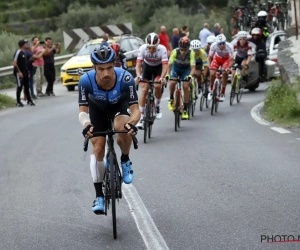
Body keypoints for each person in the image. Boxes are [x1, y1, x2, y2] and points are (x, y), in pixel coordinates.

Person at [78, 45, 140, 214]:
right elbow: (83, 112)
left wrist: (132, 123)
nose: (106, 73)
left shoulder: (125, 78)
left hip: (119, 106)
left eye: (109, 68)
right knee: (98, 148)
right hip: (96, 109)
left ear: (115, 65)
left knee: (122, 129)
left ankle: (125, 159)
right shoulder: (85, 81)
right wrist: (87, 125)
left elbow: (135, 109)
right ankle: (99, 196)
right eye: (101, 69)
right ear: (94, 68)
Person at [135, 32, 168, 129]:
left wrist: (162, 77)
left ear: (157, 45)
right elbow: (138, 64)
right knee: (144, 89)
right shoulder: (142, 48)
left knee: (157, 85)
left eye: (154, 48)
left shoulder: (162, 49)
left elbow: (165, 65)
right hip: (147, 68)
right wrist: (138, 76)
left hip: (158, 68)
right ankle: (141, 117)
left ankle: (157, 106)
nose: (151, 50)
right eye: (149, 47)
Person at [166, 37, 196, 120]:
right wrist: (168, 74)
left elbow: (193, 68)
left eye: (185, 50)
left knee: (186, 86)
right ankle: (171, 99)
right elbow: (169, 64)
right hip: (176, 68)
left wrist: (190, 76)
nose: (183, 52)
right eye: (181, 50)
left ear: (188, 48)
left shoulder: (191, 53)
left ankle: (185, 110)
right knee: (172, 82)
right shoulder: (175, 51)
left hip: (186, 70)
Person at [208, 34, 234, 102]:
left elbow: (232, 60)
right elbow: (210, 57)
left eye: (223, 43)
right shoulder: (213, 46)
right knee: (212, 73)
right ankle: (211, 90)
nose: (222, 45)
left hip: (226, 60)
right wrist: (209, 66)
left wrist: (228, 68)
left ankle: (222, 92)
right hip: (217, 59)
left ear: (225, 42)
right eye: (220, 43)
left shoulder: (230, 46)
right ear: (217, 43)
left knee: (224, 73)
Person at [12, 40, 35, 107]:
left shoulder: (24, 52)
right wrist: (19, 72)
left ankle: (29, 100)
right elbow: (14, 63)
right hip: (19, 73)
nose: (26, 44)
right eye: (25, 43)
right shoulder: (18, 52)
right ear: (22, 44)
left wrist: (27, 72)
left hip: (25, 72)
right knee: (20, 86)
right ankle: (18, 102)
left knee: (27, 86)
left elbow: (25, 64)